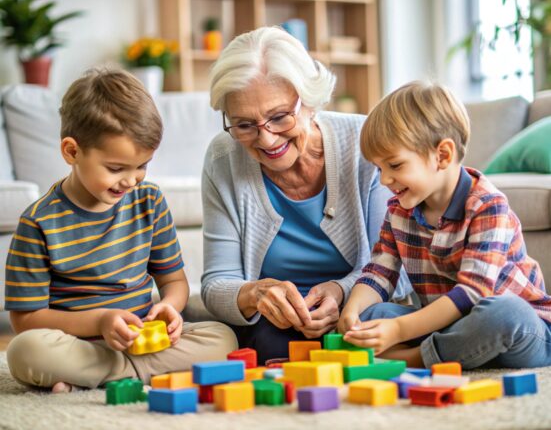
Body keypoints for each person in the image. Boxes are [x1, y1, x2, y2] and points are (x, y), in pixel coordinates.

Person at [4, 68, 237, 393]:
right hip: (79, 342)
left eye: (142, 166)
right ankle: (129, 372)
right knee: (25, 352)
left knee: (223, 338)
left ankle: (96, 376)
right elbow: (26, 320)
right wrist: (99, 322)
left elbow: (173, 282)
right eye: (115, 169)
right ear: (72, 151)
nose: (130, 180)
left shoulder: (150, 202)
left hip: (143, 341)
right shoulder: (39, 222)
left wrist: (170, 305)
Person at [201, 26, 410, 364]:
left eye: (280, 117)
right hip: (277, 324)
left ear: (310, 103)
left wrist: (341, 293)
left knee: (377, 323)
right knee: (268, 345)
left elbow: (395, 269)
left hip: (360, 308)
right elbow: (216, 284)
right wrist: (255, 294)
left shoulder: (365, 143)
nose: (266, 140)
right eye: (243, 125)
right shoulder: (223, 158)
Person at [338, 81, 551, 369]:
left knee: (504, 313)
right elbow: (379, 273)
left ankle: (417, 358)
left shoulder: (488, 205)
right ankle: (456, 351)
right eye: (379, 169)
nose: (385, 180)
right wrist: (351, 311)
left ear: (443, 155)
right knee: (372, 316)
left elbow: (472, 294)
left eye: (395, 165)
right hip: (449, 326)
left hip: (522, 331)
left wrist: (400, 331)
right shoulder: (399, 211)